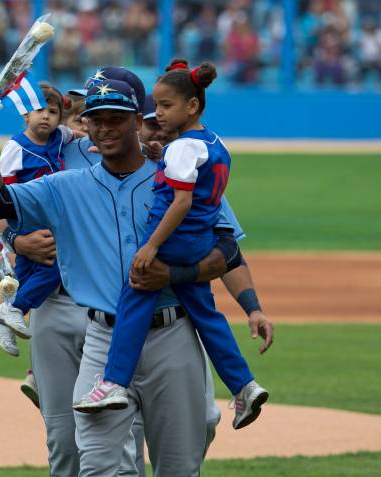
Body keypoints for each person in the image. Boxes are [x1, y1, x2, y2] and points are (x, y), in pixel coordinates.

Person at [0, 79, 244, 477]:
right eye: (97, 118)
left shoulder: (177, 174)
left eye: (118, 116)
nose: (107, 127)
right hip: (102, 340)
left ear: (140, 119)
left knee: (178, 468)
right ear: (83, 123)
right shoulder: (64, 186)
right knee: (95, 467)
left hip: (173, 335)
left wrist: (177, 272)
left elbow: (226, 246)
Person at [73, 60, 268, 430]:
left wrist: (150, 248)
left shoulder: (181, 147)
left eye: (164, 106)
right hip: (200, 239)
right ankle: (244, 385)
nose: (158, 114)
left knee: (134, 294)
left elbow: (179, 201)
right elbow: (193, 178)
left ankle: (113, 382)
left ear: (191, 106)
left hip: (172, 239)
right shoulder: (213, 142)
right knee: (207, 316)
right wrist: (159, 158)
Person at [0, 82, 74, 355]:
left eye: (53, 111)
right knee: (55, 267)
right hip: (26, 217)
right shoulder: (17, 146)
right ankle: (14, 309)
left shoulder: (60, 137)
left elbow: (78, 134)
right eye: (38, 110)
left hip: (47, 217)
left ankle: (0, 323)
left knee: (23, 273)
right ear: (26, 115)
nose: (45, 116)